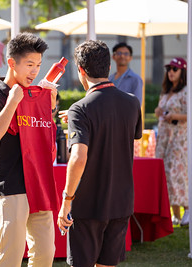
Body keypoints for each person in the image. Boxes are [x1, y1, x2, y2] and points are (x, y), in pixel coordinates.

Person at [57, 40, 142, 267]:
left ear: (81, 71)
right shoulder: (133, 103)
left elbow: (78, 157)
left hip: (88, 204)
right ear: (108, 67)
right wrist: (77, 118)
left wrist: (67, 200)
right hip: (121, 201)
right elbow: (114, 126)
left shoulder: (80, 109)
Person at [0, 32, 58, 267]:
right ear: (12, 63)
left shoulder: (36, 96)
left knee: (46, 254)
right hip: (9, 188)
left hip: (39, 185)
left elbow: (46, 140)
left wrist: (50, 107)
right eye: (29, 65)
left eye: (38, 65)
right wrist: (13, 101)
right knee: (10, 257)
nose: (34, 72)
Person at [154, 57, 192, 226]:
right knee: (165, 172)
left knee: (176, 172)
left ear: (183, 71)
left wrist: (174, 116)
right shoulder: (166, 91)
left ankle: (188, 209)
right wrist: (159, 111)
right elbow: (162, 110)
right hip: (164, 137)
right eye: (169, 69)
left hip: (179, 138)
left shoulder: (188, 90)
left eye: (175, 69)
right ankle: (176, 214)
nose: (171, 72)